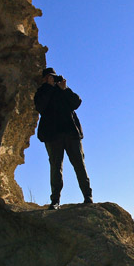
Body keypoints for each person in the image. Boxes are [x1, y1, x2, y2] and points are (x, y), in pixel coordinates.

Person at [34, 67, 93, 209]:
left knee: (79, 165)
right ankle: (55, 200)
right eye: (49, 77)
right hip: (52, 135)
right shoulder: (42, 91)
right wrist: (48, 87)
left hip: (71, 134)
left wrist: (65, 89)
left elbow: (77, 103)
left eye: (53, 77)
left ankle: (87, 196)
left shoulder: (63, 90)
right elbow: (40, 106)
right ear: (44, 79)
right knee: (55, 167)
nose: (52, 79)